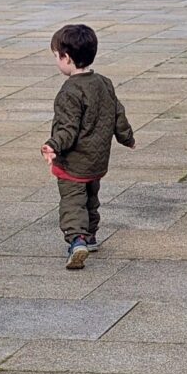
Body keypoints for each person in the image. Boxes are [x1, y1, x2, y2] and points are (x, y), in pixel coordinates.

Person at [42, 22, 134, 268]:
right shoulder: (104, 82)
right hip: (97, 160)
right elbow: (118, 114)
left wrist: (53, 145)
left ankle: (77, 240)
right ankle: (91, 235)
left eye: (56, 56)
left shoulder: (69, 91)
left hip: (74, 162)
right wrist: (126, 137)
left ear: (67, 58)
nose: (56, 61)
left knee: (73, 202)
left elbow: (67, 127)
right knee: (91, 198)